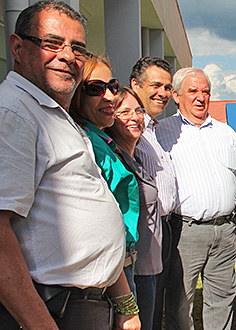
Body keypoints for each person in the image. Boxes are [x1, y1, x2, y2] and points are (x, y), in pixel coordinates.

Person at [0, 1, 138, 329]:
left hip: (87, 304)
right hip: (53, 310)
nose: (67, 55)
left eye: (77, 48)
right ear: (17, 47)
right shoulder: (14, 112)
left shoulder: (50, 112)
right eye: (51, 43)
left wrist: (123, 300)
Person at [156, 67, 236, 330]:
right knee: (180, 304)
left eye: (205, 91)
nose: (200, 97)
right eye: (192, 91)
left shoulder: (226, 133)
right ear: (176, 96)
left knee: (223, 300)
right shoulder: (162, 133)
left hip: (226, 232)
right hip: (185, 232)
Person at [68, 54, 141, 290]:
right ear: (76, 92)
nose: (110, 97)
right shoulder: (84, 143)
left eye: (112, 86)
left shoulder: (102, 139)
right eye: (96, 88)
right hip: (108, 271)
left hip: (122, 260)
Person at [129, 56, 179, 330]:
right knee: (143, 305)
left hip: (165, 227)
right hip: (144, 229)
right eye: (155, 85)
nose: (163, 94)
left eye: (167, 87)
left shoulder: (155, 128)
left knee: (156, 302)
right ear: (135, 85)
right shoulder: (129, 127)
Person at [107, 86, 162, 330]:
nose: (135, 117)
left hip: (149, 266)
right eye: (124, 111)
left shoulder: (136, 157)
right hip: (131, 271)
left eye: (138, 111)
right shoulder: (115, 160)